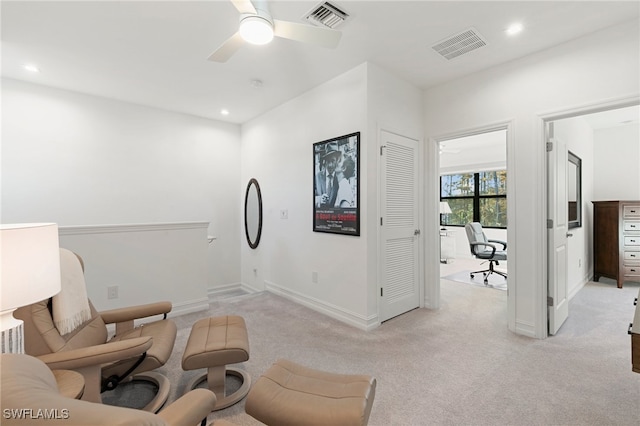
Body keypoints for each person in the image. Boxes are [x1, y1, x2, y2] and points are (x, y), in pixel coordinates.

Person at [315, 143, 341, 208]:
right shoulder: (317, 177)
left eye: (333, 161)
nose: (330, 165)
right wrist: (319, 199)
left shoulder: (339, 179)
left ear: (337, 161)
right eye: (328, 161)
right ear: (324, 161)